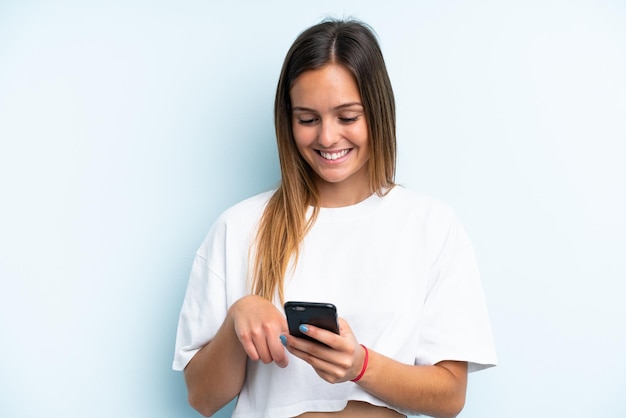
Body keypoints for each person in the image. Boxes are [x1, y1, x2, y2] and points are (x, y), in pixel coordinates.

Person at [173, 19, 497, 418]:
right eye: (307, 119)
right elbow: (202, 399)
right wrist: (238, 319)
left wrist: (360, 365)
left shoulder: (431, 226)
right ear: (287, 121)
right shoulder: (238, 229)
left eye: (347, 117)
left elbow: (450, 397)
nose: (327, 138)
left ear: (377, 113)